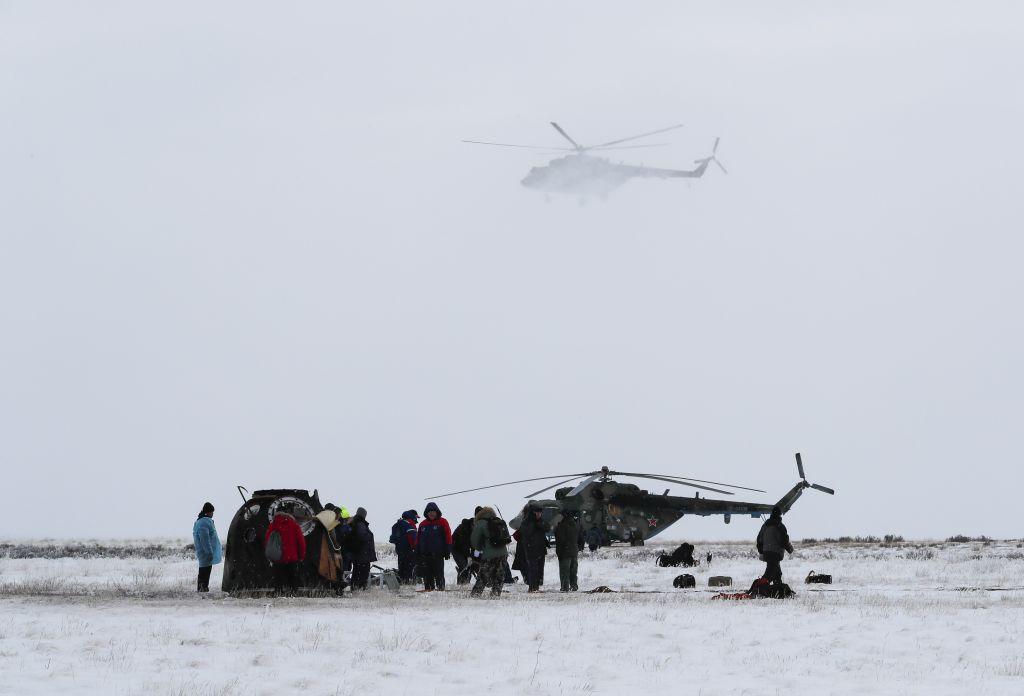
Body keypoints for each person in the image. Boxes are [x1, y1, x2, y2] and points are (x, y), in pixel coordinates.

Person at [470, 507, 509, 597]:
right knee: (499, 576)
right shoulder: (498, 521)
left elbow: (474, 541)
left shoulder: (480, 523)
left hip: (489, 555)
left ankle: (475, 594)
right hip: (503, 553)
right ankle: (495, 594)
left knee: (483, 575)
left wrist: (479, 549)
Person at [265, 511, 306, 595]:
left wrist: (270, 554)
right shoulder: (294, 525)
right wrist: (301, 556)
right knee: (293, 577)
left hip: (278, 557)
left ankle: (278, 593)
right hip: (292, 557)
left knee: (278, 578)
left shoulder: (273, 524)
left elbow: (267, 540)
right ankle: (293, 593)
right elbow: (301, 542)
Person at [417, 502, 452, 591]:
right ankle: (428, 590)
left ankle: (441, 589)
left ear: (437, 512)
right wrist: (417, 550)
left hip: (438, 554)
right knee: (427, 575)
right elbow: (418, 538)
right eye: (429, 512)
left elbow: (448, 536)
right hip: (425, 555)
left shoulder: (443, 522)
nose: (431, 513)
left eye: (433, 511)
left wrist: (448, 549)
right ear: (426, 513)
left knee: (439, 574)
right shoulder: (422, 524)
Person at [516, 505, 550, 592]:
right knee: (533, 569)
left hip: (540, 549)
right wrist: (536, 523)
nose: (539, 514)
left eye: (540, 512)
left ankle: (536, 587)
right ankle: (532, 588)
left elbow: (547, 528)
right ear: (532, 513)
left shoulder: (540, 521)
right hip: (531, 549)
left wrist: (539, 522)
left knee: (539, 569)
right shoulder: (526, 522)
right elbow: (527, 533)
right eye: (537, 512)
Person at [756, 506, 794, 584]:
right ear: (780, 515)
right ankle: (759, 588)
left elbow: (759, 539)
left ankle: (778, 590)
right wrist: (790, 549)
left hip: (766, 552)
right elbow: (784, 540)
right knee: (769, 575)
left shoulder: (765, 525)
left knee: (777, 573)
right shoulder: (780, 526)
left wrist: (761, 551)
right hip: (775, 553)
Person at [192, 502, 222, 593]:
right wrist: (209, 552)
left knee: (204, 570)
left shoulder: (200, 521)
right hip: (205, 552)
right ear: (208, 512)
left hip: (204, 552)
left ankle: (202, 588)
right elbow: (205, 539)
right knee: (204, 571)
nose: (212, 514)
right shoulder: (204, 523)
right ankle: (202, 589)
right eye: (212, 512)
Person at [554, 510, 584, 592]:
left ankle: (565, 587)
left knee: (565, 571)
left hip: (565, 552)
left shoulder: (562, 526)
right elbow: (581, 537)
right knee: (573, 571)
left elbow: (560, 540)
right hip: (574, 551)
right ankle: (574, 586)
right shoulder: (576, 525)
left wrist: (559, 552)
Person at [348, 507, 377, 590]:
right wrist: (369, 536)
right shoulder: (360, 524)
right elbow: (362, 536)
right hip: (362, 554)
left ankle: (355, 588)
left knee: (356, 572)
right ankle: (360, 589)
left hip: (358, 553)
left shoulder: (354, 522)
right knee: (362, 573)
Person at [451, 507, 480, 585]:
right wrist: (468, 556)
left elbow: (477, 544)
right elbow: (464, 543)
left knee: (475, 565)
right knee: (465, 566)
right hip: (456, 548)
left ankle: (468, 582)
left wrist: (475, 556)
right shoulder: (464, 527)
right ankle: (461, 584)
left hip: (467, 549)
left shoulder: (479, 528)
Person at [390, 509, 419, 584]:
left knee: (402, 568)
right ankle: (409, 583)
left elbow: (392, 539)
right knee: (410, 568)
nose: (416, 520)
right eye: (416, 517)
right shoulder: (409, 524)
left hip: (400, 550)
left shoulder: (397, 524)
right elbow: (413, 538)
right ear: (412, 516)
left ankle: (403, 582)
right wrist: (416, 548)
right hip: (409, 550)